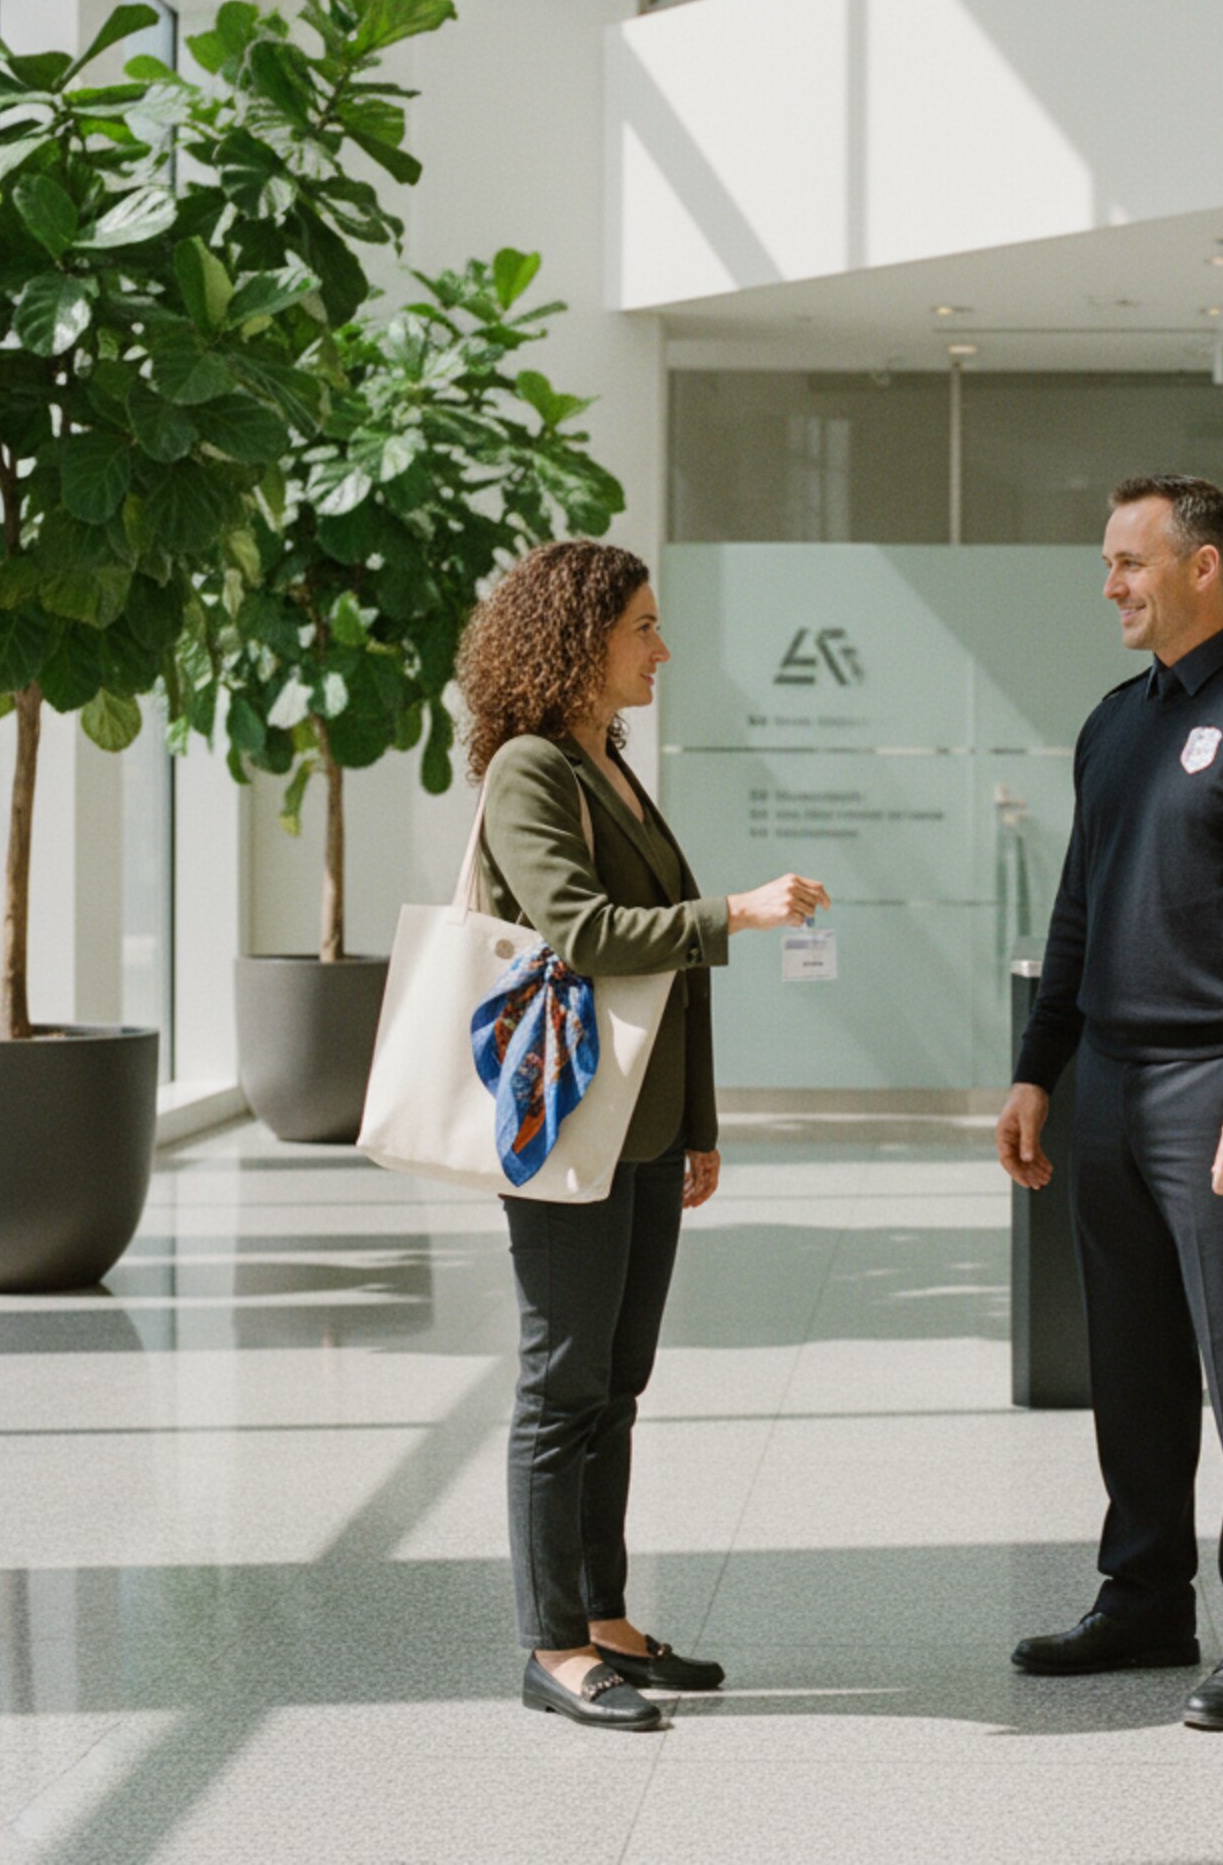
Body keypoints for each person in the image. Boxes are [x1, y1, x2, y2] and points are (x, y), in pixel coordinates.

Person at [995, 474, 1223, 1731]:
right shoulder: (1112, 722)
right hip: (1110, 1082)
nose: (1109, 584)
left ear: (1203, 566)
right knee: (1134, 1360)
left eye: (1129, 562)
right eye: (1107, 562)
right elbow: (1078, 910)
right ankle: (1144, 1595)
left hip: (1219, 1087)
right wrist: (1040, 1065)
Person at [456, 540, 830, 1732]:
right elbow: (584, 930)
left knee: (615, 1380)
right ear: (581, 638)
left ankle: (606, 1613)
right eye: (643, 628)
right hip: (568, 1122)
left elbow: (672, 983)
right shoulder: (529, 769)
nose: (661, 649)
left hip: (641, 1125)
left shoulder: (602, 761)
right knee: (560, 1380)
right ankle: (551, 1643)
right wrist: (735, 909)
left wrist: (698, 1126)